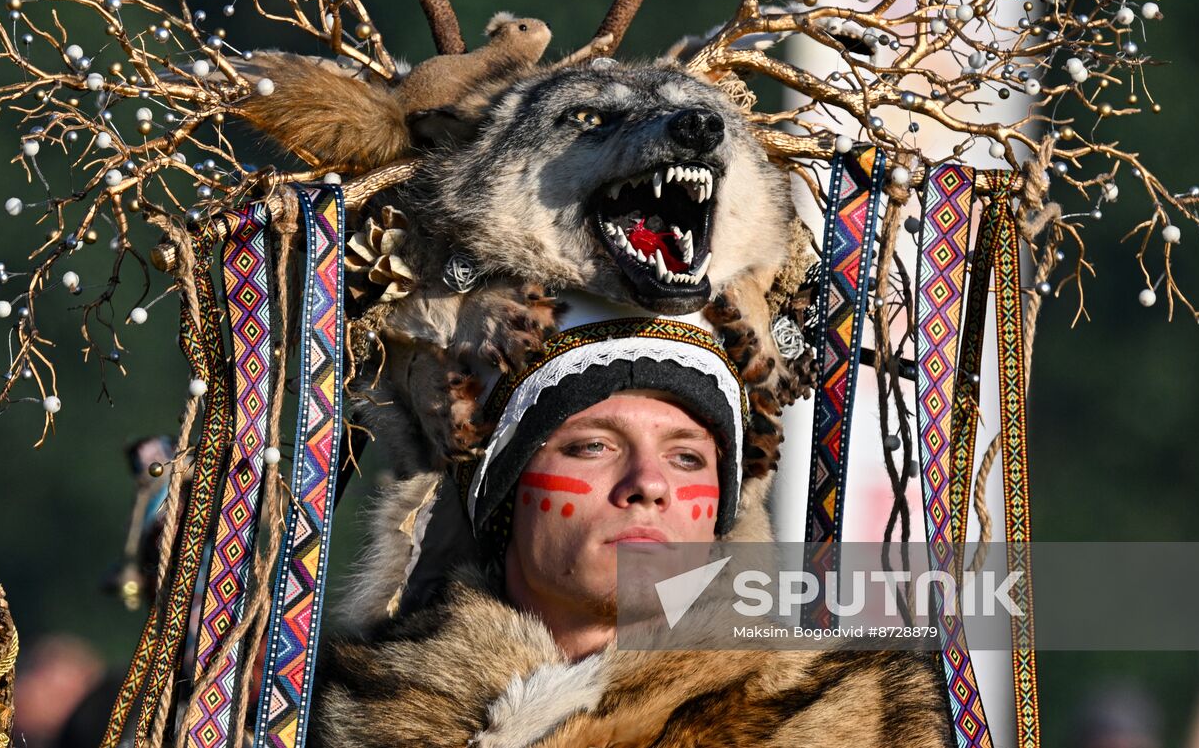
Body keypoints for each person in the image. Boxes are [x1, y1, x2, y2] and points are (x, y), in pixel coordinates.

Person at [312, 315, 952, 747]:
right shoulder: (347, 722)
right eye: (592, 446)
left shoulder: (858, 723)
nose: (649, 482)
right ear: (507, 499)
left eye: (687, 458)